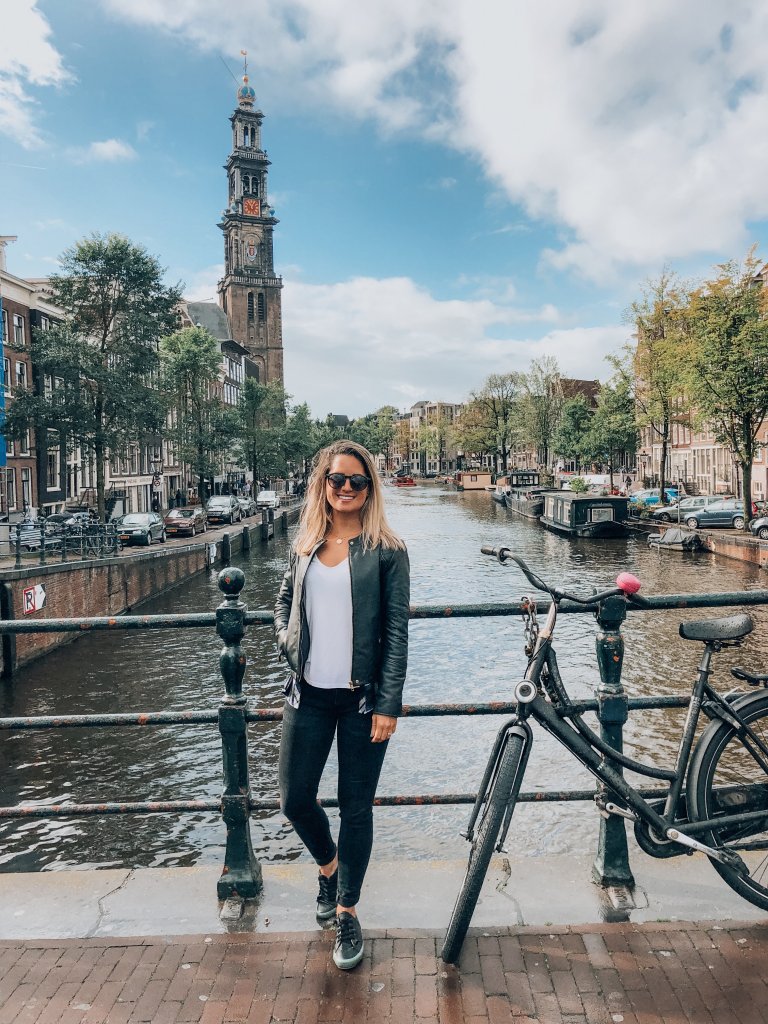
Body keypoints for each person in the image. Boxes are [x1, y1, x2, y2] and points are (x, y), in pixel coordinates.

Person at [273, 440, 410, 971]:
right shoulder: (305, 542)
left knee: (355, 809)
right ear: (323, 485)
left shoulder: (388, 550)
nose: (346, 488)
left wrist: (389, 703)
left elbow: (396, 632)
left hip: (362, 701)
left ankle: (347, 910)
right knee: (293, 797)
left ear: (369, 488)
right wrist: (288, 646)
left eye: (357, 481)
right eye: (337, 480)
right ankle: (329, 868)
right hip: (306, 694)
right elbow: (283, 603)